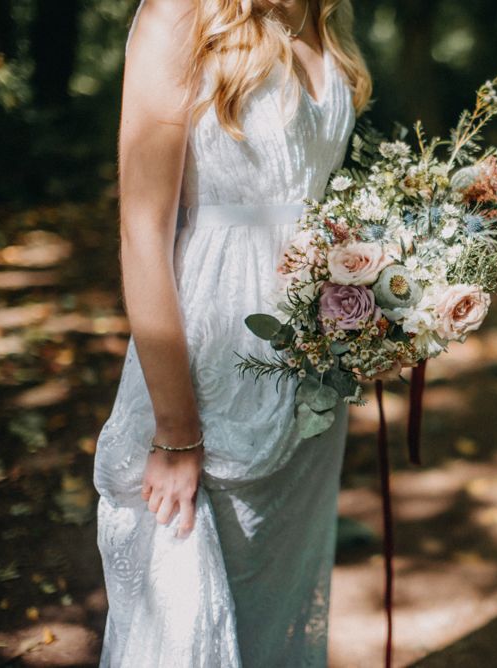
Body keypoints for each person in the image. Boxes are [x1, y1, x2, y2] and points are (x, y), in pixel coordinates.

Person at [92, 0, 372, 665]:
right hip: (214, 355)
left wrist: (384, 299)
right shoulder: (179, 15)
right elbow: (142, 233)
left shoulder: (325, 13)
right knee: (192, 612)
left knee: (279, 595)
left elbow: (315, 194)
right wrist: (175, 426)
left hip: (312, 357)